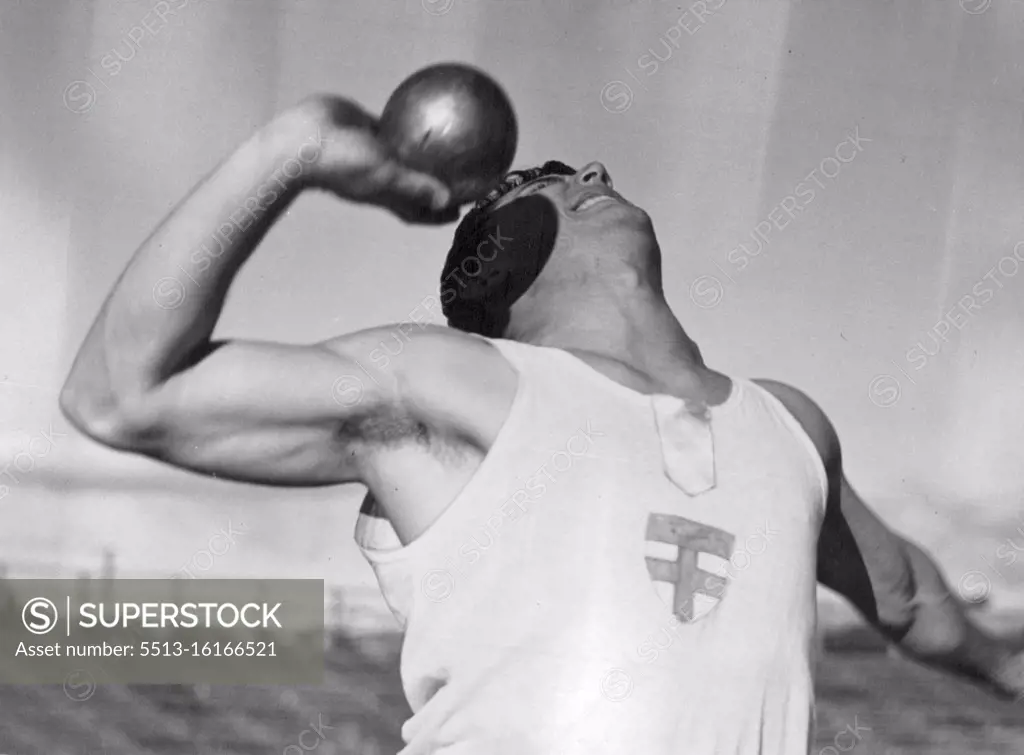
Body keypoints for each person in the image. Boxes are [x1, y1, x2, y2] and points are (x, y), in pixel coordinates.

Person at [60, 93, 1024, 754]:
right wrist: (296, 148)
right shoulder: (452, 381)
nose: (595, 168)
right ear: (499, 258)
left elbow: (904, 597)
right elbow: (120, 393)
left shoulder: (789, 426)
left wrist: (1008, 671)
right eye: (553, 174)